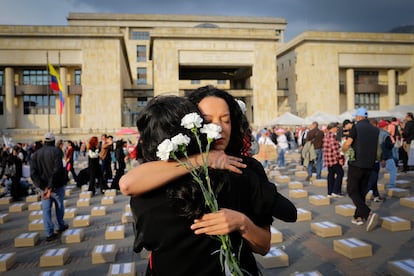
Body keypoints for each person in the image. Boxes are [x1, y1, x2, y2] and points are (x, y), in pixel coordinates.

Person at [128, 95, 272, 275]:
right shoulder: (151, 185)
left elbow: (264, 244)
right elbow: (127, 184)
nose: (217, 127)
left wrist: (242, 223)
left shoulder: (242, 173)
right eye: (207, 121)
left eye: (226, 120)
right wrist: (202, 159)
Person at [342, 107, 379, 231]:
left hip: (356, 163)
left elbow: (348, 144)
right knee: (362, 191)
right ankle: (358, 217)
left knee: (352, 190)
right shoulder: (375, 130)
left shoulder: (356, 128)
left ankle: (368, 213)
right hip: (369, 164)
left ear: (358, 117)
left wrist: (343, 151)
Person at [30, 132, 68, 241]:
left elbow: (33, 174)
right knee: (59, 207)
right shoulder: (56, 151)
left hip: (44, 188)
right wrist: (50, 187)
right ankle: (60, 225)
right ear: (53, 141)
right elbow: (57, 170)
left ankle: (49, 233)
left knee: (46, 210)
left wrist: (43, 187)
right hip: (56, 186)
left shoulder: (36, 154)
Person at [322, 122, 344, 198]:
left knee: (331, 175)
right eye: (336, 128)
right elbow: (335, 149)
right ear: (333, 128)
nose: (337, 129)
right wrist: (340, 158)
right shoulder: (332, 136)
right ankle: (336, 191)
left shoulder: (326, 135)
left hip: (328, 159)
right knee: (340, 173)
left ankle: (330, 192)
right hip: (333, 159)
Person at [377, 120, 397, 189]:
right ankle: (391, 185)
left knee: (376, 171)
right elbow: (388, 146)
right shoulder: (386, 134)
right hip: (387, 156)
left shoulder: (376, 133)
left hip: (377, 156)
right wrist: (392, 144)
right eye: (386, 125)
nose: (387, 126)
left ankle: (375, 184)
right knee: (393, 170)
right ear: (384, 126)